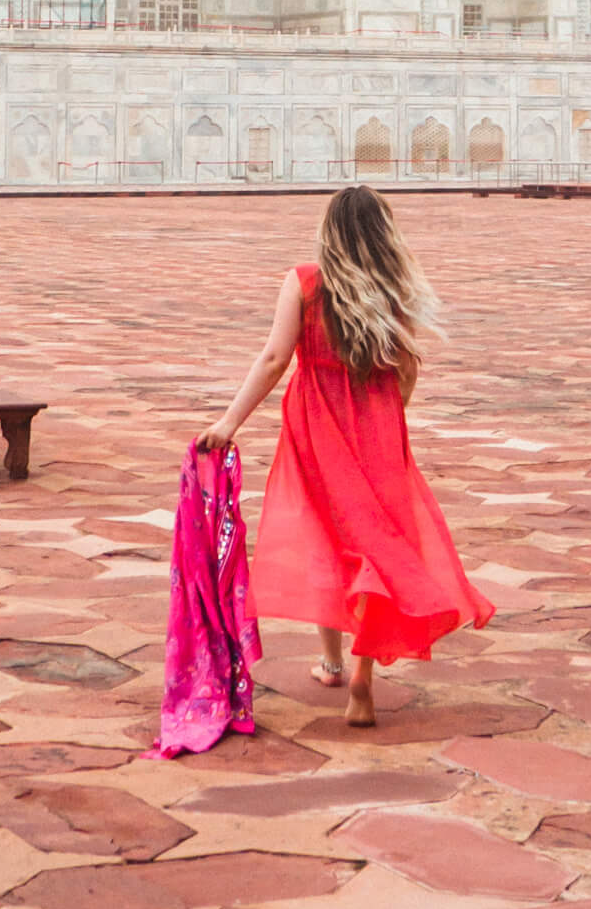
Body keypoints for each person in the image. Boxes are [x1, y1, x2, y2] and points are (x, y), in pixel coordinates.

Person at [197, 185, 492, 729]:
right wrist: (386, 415)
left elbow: (272, 359)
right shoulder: (389, 290)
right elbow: (405, 369)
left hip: (316, 424)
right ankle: (361, 675)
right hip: (377, 427)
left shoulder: (306, 283)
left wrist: (228, 422)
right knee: (373, 543)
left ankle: (331, 661)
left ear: (329, 231)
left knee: (323, 535)